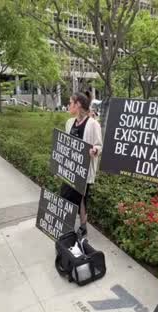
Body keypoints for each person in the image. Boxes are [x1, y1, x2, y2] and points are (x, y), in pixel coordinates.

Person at [60, 92, 103, 237]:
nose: (68, 105)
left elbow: (99, 146)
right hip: (70, 168)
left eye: (70, 102)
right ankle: (66, 224)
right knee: (65, 194)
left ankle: (83, 226)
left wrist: (94, 151)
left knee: (82, 199)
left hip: (84, 170)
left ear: (77, 104)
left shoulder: (93, 124)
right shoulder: (69, 123)